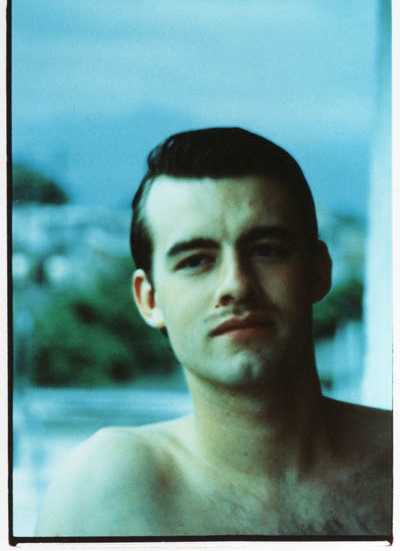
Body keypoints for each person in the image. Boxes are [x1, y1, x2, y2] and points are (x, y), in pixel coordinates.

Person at [35, 127, 392, 537]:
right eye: (195, 261)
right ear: (149, 299)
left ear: (319, 271)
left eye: (267, 250)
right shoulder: (104, 489)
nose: (236, 284)